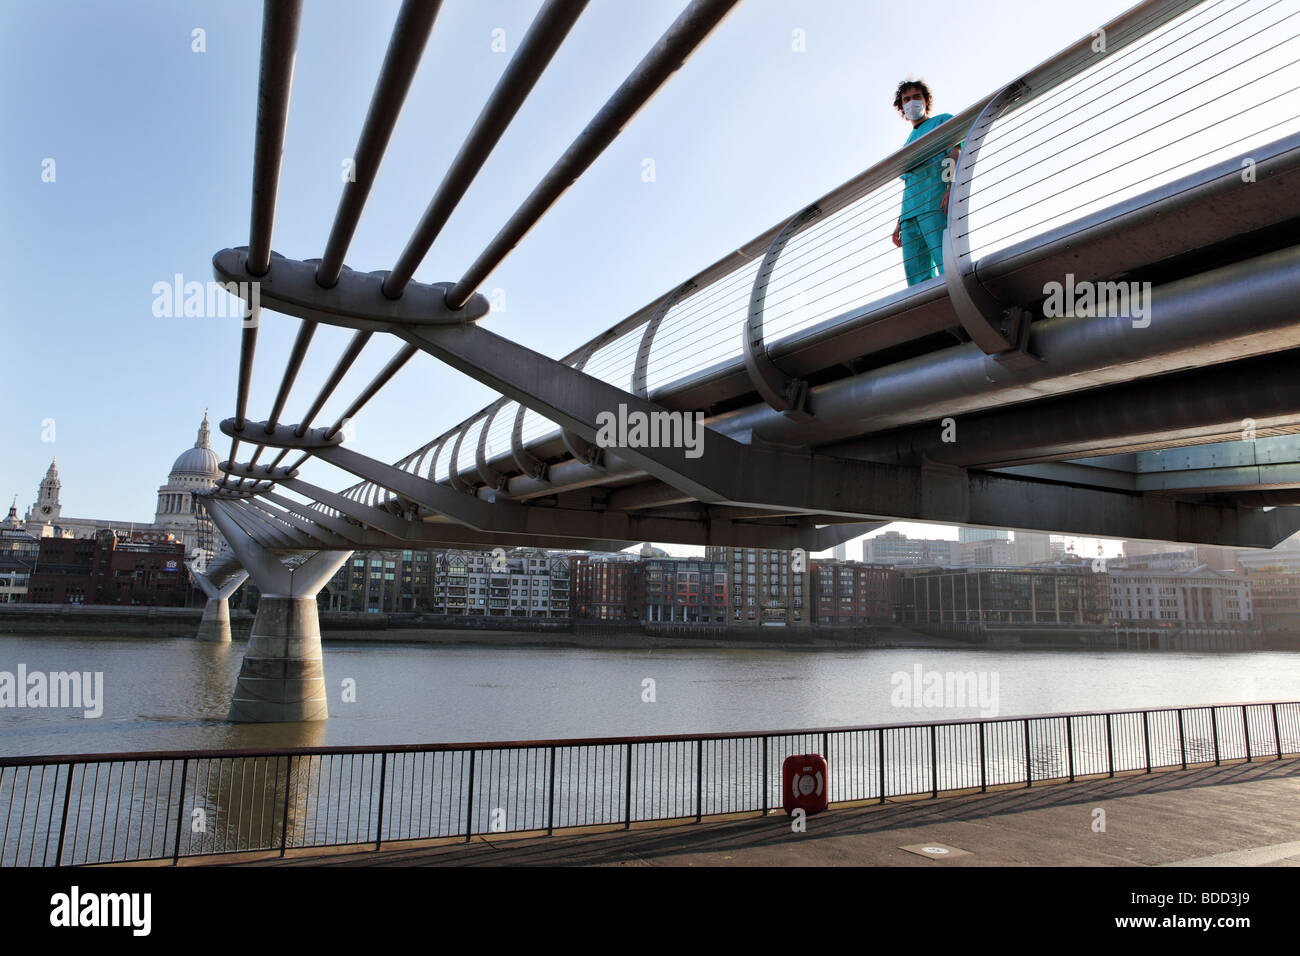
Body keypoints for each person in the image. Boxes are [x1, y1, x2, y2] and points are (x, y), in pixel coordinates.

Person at [890, 79, 963, 286]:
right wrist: (899, 222)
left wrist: (950, 187)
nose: (911, 102)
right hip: (909, 215)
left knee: (947, 264)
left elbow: (954, 153)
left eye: (916, 97)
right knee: (916, 279)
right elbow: (909, 183)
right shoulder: (907, 144)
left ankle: (960, 308)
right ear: (901, 107)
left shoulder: (942, 121)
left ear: (926, 101)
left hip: (935, 203)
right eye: (906, 99)